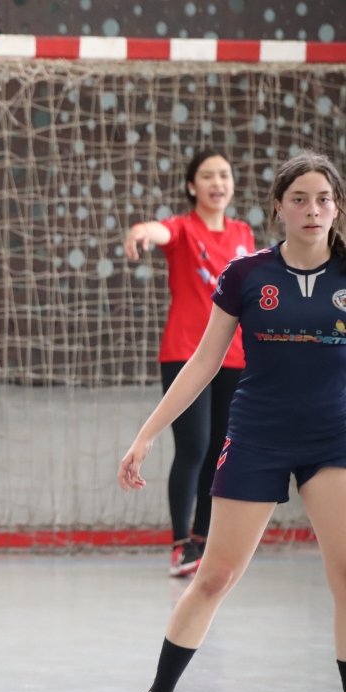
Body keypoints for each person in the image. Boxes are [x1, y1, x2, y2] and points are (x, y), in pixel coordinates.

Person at [119, 151, 346, 692]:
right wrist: (146, 434)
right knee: (216, 576)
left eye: (323, 198)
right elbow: (202, 362)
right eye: (299, 199)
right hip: (258, 436)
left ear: (337, 208)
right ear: (278, 208)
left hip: (333, 440)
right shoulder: (246, 274)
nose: (312, 209)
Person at [124, 150, 256, 577]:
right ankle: (181, 545)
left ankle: (202, 541)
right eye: (207, 176)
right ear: (191, 186)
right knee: (194, 446)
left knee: (220, 450)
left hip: (235, 356)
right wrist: (141, 231)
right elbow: (158, 231)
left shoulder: (243, 234)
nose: (218, 183)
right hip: (185, 353)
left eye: (224, 175)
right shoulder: (183, 228)